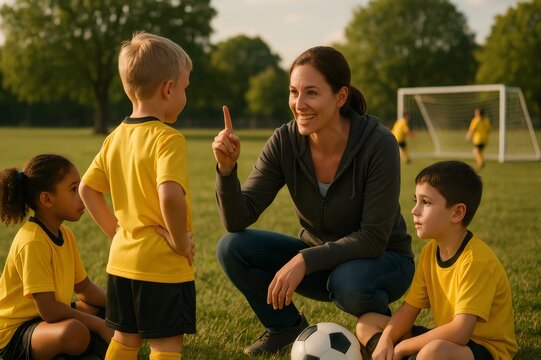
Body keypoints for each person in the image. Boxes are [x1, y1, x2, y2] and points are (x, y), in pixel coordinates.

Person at [212, 46, 415, 356]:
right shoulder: (284, 141)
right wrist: (226, 171)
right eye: (294, 92)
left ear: (341, 97)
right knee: (232, 247)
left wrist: (305, 260)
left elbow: (374, 238)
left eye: (311, 93)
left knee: (348, 282)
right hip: (322, 263)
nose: (299, 104)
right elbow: (238, 219)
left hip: (384, 261)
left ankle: (384, 332)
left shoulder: (379, 143)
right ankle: (285, 328)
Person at [79, 32, 195, 360]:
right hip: (161, 265)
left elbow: (88, 190)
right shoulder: (167, 139)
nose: (185, 95)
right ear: (168, 89)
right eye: (185, 87)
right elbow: (170, 196)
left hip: (121, 263)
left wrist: (116, 234)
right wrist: (178, 242)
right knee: (166, 345)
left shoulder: (115, 136)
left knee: (125, 339)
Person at [356, 160, 518, 360]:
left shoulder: (475, 261)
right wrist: (386, 339)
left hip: (484, 349)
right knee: (367, 322)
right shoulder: (429, 252)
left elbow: (461, 331)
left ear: (457, 213)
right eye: (416, 200)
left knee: (432, 353)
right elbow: (409, 310)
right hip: (446, 339)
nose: (415, 210)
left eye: (426, 202)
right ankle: (387, 355)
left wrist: (404, 346)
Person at [0, 154, 112, 359]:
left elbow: (84, 289)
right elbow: (50, 310)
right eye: (73, 189)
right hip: (17, 332)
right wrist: (100, 326)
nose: (81, 196)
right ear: (47, 199)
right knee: (74, 332)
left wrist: (122, 306)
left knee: (108, 312)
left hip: (47, 322)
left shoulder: (66, 235)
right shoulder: (32, 241)